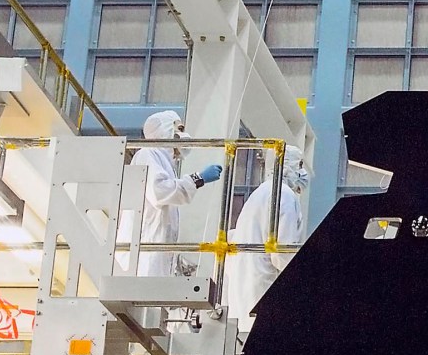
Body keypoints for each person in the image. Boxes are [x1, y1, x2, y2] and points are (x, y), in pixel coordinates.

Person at [225, 147, 309, 338]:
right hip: (263, 287)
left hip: (244, 290)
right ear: (287, 165)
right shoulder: (285, 195)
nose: (303, 173)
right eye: (300, 165)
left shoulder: (260, 193)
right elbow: (282, 255)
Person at [128, 111, 222, 259]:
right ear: (165, 130)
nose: (185, 135)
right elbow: (159, 191)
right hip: (145, 251)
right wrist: (198, 179)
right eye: (180, 129)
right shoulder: (148, 153)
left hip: (156, 251)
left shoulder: (164, 162)